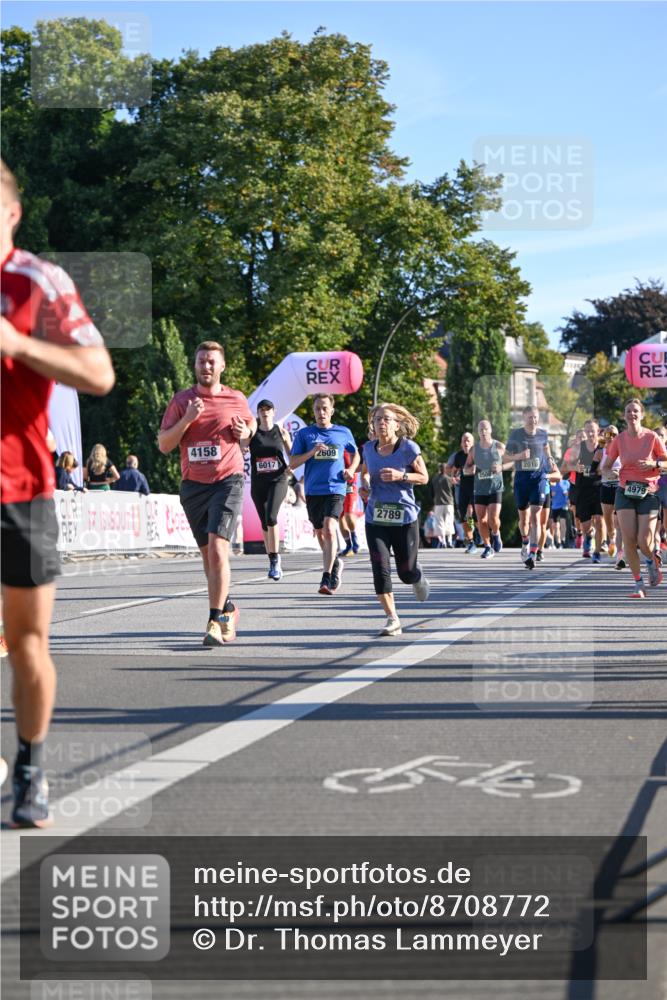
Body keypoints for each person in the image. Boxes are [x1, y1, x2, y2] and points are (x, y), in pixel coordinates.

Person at [1, 159, 115, 826]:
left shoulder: (37, 281)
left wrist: (18, 342)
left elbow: (97, 372)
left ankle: (32, 767)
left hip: (21, 492)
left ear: (11, 213)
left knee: (27, 644)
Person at [158, 340, 255, 644]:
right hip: (194, 486)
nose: (206, 366)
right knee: (208, 557)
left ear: (222, 366)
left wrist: (246, 434)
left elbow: (250, 430)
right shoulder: (181, 401)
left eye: (212, 361)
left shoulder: (236, 398)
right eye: (201, 361)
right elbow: (164, 445)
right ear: (195, 365)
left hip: (228, 480)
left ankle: (214, 621)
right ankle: (227, 609)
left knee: (217, 549)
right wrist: (187, 419)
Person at [360, 403, 430, 636]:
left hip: (404, 518)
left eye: (386, 419)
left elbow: (424, 477)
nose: (381, 423)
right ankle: (392, 618)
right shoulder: (368, 449)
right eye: (378, 419)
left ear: (397, 424)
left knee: (405, 572)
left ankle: (416, 576)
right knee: (380, 568)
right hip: (376, 518)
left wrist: (402, 475)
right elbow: (365, 473)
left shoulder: (408, 448)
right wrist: (365, 485)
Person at [289, 393, 359, 595]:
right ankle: (335, 562)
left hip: (336, 488)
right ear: (314, 411)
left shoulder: (342, 432)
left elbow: (356, 454)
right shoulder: (305, 434)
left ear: (332, 411)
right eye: (318, 408)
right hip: (313, 490)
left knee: (329, 528)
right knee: (320, 533)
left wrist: (352, 469)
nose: (321, 412)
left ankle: (326, 577)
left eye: (325, 408)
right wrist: (311, 452)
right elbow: (293, 463)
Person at [600, 398, 667, 598]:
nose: (632, 414)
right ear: (624, 416)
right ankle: (638, 583)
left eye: (636, 411)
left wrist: (654, 464)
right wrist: (609, 473)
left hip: (649, 491)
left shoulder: (652, 437)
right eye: (628, 411)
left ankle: (651, 560)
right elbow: (607, 464)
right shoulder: (619, 439)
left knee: (643, 541)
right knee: (629, 539)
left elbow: (665, 462)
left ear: (642, 414)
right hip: (625, 490)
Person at [505, 405, 557, 570]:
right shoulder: (516, 435)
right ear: (524, 418)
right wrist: (519, 456)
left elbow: (546, 447)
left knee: (535, 516)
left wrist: (549, 458)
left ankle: (533, 553)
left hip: (539, 479)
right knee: (524, 519)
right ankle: (525, 540)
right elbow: (505, 456)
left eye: (535, 417)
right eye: (529, 417)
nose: (533, 420)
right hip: (522, 480)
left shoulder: (543, 434)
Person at [247, 399, 292, 580]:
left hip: (278, 479)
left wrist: (293, 469)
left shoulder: (280, 431)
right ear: (257, 413)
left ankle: (275, 559)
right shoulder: (252, 432)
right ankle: (272, 558)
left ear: (274, 412)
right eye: (261, 409)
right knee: (265, 522)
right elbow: (242, 449)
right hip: (258, 482)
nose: (265, 412)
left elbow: (292, 455)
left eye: (268, 409)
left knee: (272, 516)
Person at [464, 419, 505, 559]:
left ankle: (496, 533)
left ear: (490, 430)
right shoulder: (474, 450)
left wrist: (500, 467)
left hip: (495, 487)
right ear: (478, 431)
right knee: (481, 520)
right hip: (480, 488)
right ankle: (488, 546)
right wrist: (471, 469)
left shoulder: (499, 446)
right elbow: (465, 469)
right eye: (480, 429)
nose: (483, 431)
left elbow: (511, 462)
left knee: (493, 518)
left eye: (485, 428)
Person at [565, 419, 604, 563]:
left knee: (600, 520)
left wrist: (603, 468)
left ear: (598, 431)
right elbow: (565, 467)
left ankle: (597, 552)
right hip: (583, 489)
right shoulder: (577, 448)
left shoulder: (602, 447)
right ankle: (588, 535)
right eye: (587, 430)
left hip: (599, 487)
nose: (590, 433)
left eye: (593, 430)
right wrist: (575, 468)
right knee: (586, 525)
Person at [446, 432, 477, 553]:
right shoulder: (458, 456)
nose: (466, 443)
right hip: (462, 488)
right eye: (464, 441)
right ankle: (471, 542)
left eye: (468, 440)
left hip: (476, 488)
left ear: (473, 443)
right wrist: (453, 477)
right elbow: (452, 470)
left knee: (477, 516)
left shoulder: (477, 455)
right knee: (463, 515)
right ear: (461, 443)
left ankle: (487, 540)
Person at [598, 425, 623, 565]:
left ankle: (620, 552)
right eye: (608, 434)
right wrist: (605, 471)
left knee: (619, 519)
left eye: (614, 434)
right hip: (606, 486)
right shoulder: (601, 451)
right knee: (607, 518)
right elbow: (595, 470)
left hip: (620, 486)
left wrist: (619, 473)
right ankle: (611, 538)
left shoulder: (623, 450)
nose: (611, 437)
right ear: (604, 435)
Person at [339, 449, 361, 557]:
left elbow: (358, 464)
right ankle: (348, 545)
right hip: (336, 485)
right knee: (340, 516)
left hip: (349, 485)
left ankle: (354, 537)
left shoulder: (349, 447)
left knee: (348, 514)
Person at [430, 463, 455, 548]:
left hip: (438, 503)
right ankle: (449, 540)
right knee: (449, 521)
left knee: (439, 522)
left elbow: (432, 493)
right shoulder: (450, 479)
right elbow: (454, 491)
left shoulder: (435, 479)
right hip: (449, 503)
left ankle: (443, 541)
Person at [548, 475, 570, 548]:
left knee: (563, 523)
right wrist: (551, 495)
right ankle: (558, 542)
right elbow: (549, 495)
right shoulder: (552, 483)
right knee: (556, 526)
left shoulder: (566, 482)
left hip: (564, 506)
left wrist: (568, 499)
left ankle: (562, 539)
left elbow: (570, 493)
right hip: (555, 507)